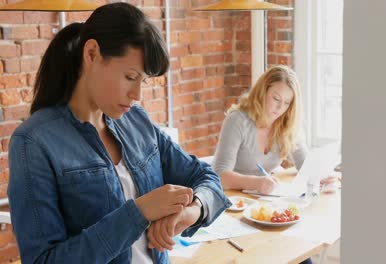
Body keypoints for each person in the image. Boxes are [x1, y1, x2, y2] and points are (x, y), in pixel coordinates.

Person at [7, 3, 230, 264]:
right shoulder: (33, 142)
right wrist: (139, 213)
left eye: (143, 81)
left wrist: (193, 211)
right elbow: (43, 261)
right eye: (129, 76)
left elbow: (206, 177)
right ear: (91, 54)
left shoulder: (136, 121)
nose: (137, 95)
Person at [212, 65, 307, 194]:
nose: (280, 107)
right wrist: (256, 183)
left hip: (262, 197)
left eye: (287, 103)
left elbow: (305, 164)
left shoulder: (288, 123)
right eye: (276, 98)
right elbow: (220, 175)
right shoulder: (237, 120)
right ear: (263, 91)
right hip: (232, 197)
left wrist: (321, 177)